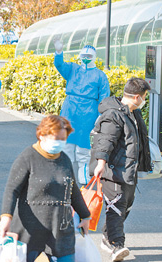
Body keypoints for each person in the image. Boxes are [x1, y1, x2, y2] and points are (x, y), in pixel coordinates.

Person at [0, 115, 91, 262]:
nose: (60, 142)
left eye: (63, 139)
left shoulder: (64, 159)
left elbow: (72, 190)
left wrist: (85, 216)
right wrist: (5, 218)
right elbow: (12, 189)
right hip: (30, 230)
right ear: (42, 135)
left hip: (61, 230)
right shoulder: (27, 157)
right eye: (56, 138)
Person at [90, 77, 151, 262]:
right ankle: (116, 244)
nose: (145, 100)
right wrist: (100, 163)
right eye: (145, 96)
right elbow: (105, 140)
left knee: (125, 206)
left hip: (127, 171)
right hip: (112, 170)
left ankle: (108, 237)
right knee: (116, 207)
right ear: (137, 97)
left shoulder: (133, 113)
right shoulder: (114, 114)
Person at [53, 39, 110, 185]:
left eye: (89, 56)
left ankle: (83, 171)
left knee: (84, 144)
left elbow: (104, 97)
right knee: (67, 142)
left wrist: (100, 116)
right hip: (70, 109)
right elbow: (59, 65)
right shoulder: (72, 69)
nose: (85, 58)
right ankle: (65, 171)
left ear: (94, 57)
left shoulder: (100, 76)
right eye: (83, 55)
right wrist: (59, 53)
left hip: (88, 112)